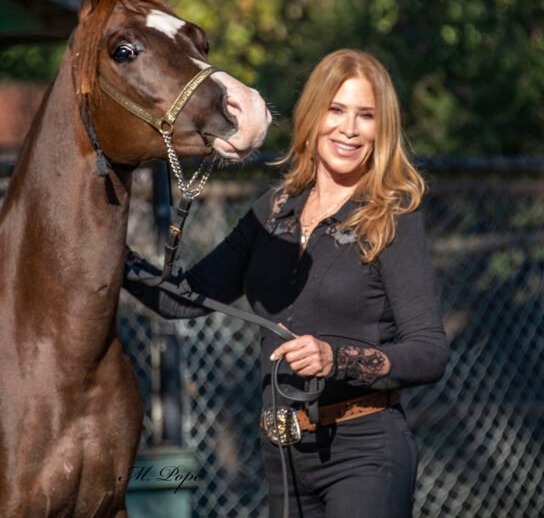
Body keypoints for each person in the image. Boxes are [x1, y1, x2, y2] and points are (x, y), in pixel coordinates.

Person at [123, 49, 449, 517]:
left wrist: (335, 358)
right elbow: (181, 300)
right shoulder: (273, 211)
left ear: (383, 129)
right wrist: (110, 257)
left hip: (365, 453)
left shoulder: (391, 218)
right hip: (283, 456)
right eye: (336, 110)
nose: (349, 129)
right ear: (313, 116)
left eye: (366, 116)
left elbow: (429, 352)